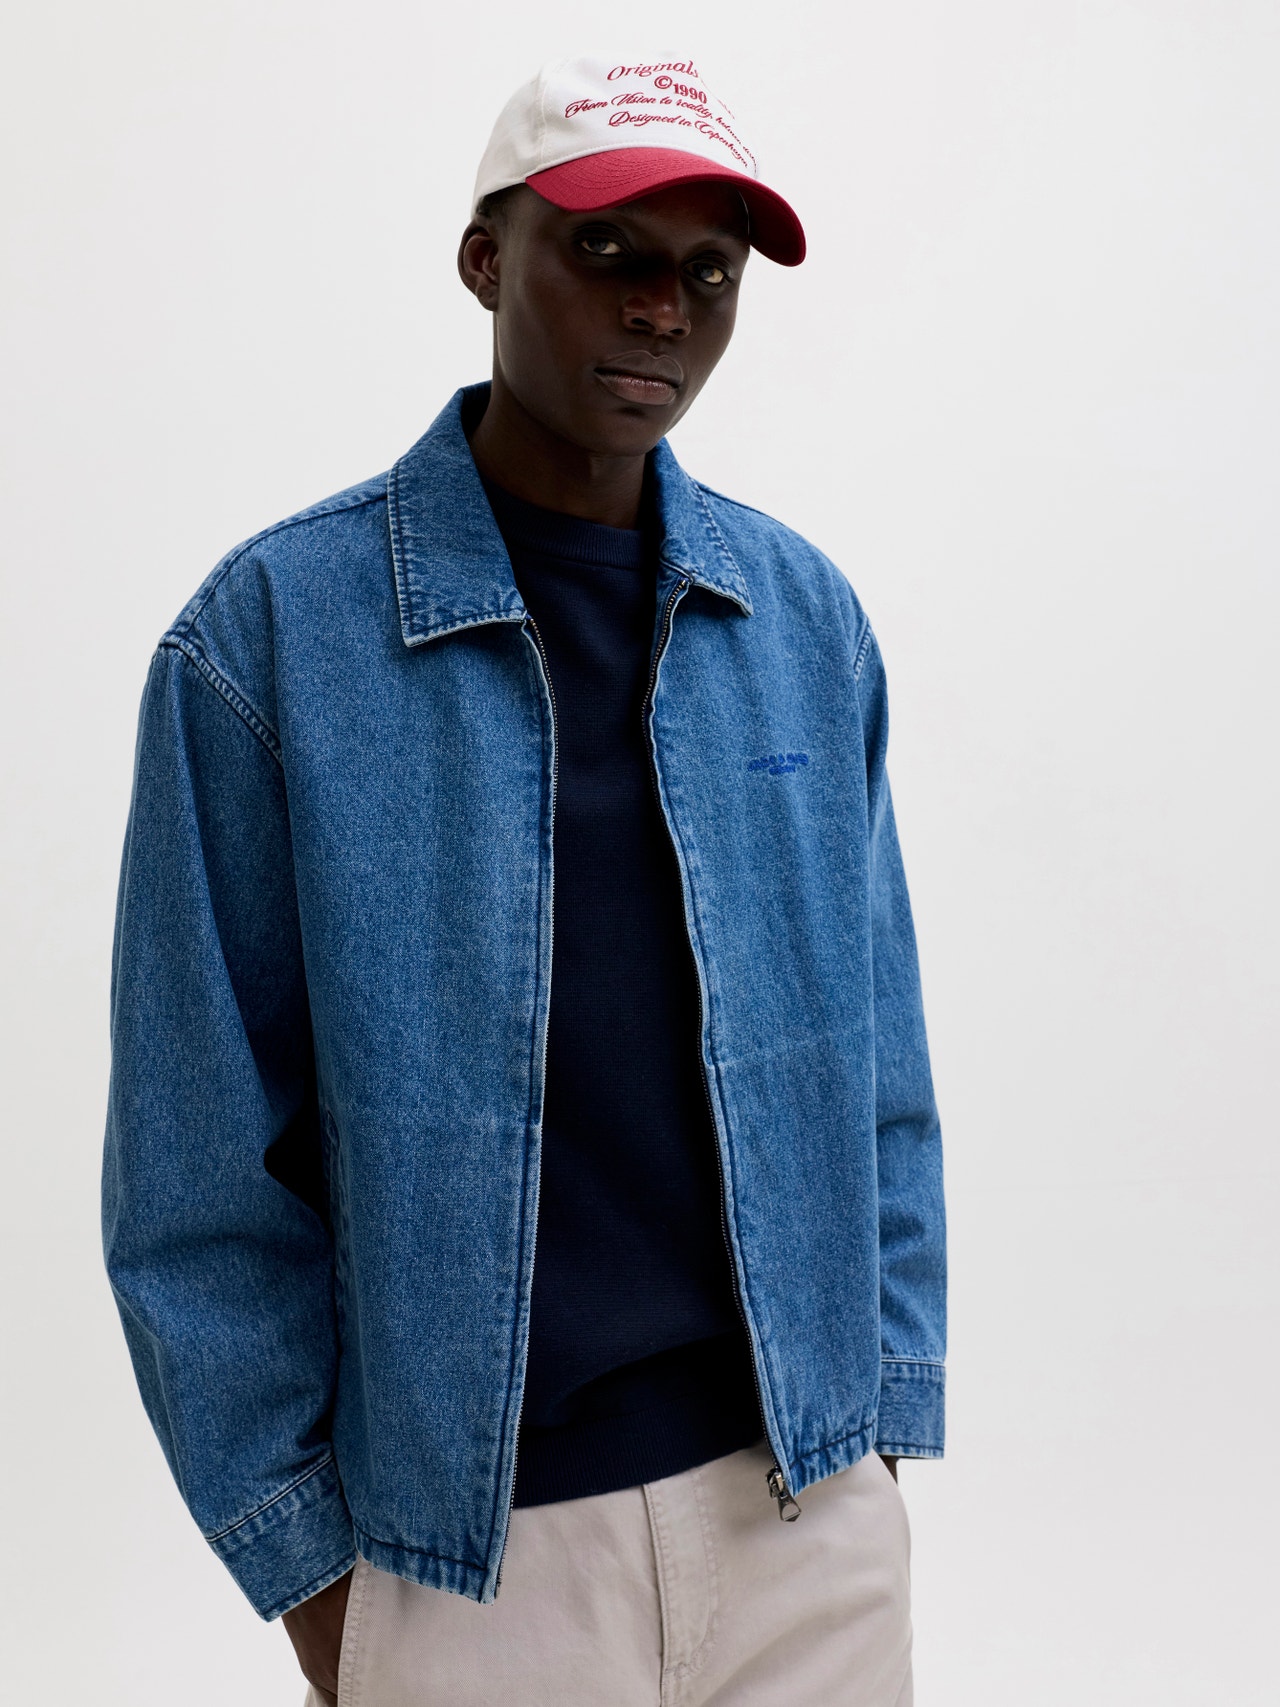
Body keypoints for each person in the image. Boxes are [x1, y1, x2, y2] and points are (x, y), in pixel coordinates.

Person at [102, 54, 946, 1707]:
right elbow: (191, 1174)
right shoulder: (270, 642)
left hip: (806, 1523)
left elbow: (883, 1080)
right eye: (607, 251)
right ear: (488, 260)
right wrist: (316, 1580)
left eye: (707, 273)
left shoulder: (805, 624)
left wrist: (879, 1444)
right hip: (474, 1563)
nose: (661, 310)